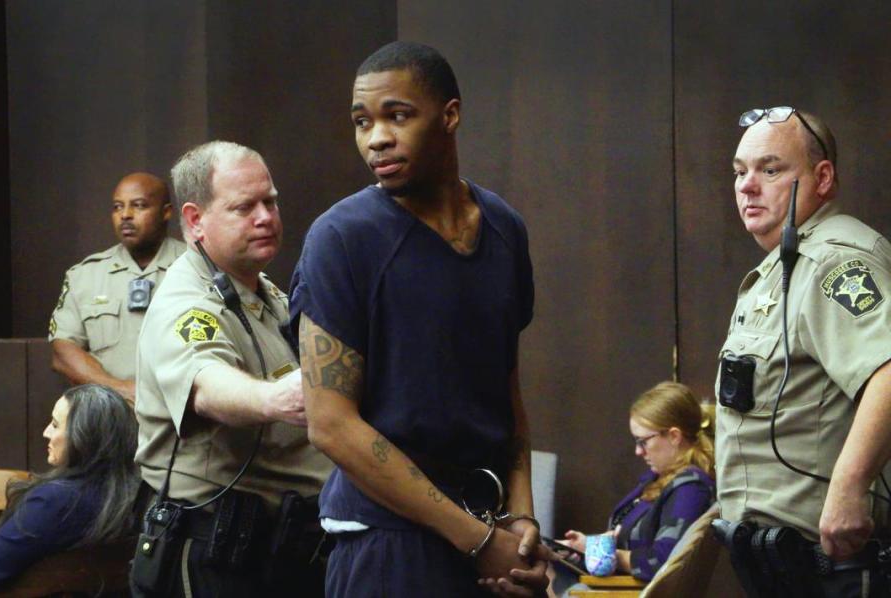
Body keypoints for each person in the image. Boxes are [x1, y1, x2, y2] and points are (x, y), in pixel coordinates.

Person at [290, 41, 549, 597]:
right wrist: (477, 540)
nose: (376, 137)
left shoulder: (505, 228)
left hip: (488, 531)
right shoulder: (341, 238)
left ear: (450, 115)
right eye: (362, 122)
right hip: (388, 542)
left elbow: (504, 390)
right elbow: (330, 424)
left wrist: (521, 520)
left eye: (397, 115)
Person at [132, 141, 332, 597]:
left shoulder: (263, 292)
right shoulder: (184, 303)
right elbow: (206, 383)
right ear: (195, 220)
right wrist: (275, 398)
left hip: (282, 547)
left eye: (270, 201)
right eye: (244, 207)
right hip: (215, 551)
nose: (265, 217)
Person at [717, 107, 891, 596]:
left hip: (830, 564)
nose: (747, 186)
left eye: (770, 169)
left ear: (822, 178)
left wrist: (849, 487)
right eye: (739, 171)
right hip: (780, 565)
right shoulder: (785, 266)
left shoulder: (833, 261)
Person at [0, 384, 139, 593]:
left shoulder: (56, 502)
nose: (46, 432)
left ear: (83, 437)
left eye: (56, 425)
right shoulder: (134, 496)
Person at [556, 382, 715, 592]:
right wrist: (588, 545)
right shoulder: (659, 478)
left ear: (674, 436)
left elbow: (662, 562)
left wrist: (606, 554)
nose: (638, 452)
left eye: (643, 441)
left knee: (533, 573)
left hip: (629, 592)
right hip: (616, 587)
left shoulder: (690, 489)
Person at [49, 172, 186, 403]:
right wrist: (118, 390)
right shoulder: (85, 276)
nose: (125, 215)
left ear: (166, 212)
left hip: (181, 419)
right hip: (109, 419)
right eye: (117, 207)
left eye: (139, 206)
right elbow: (63, 351)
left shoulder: (198, 269)